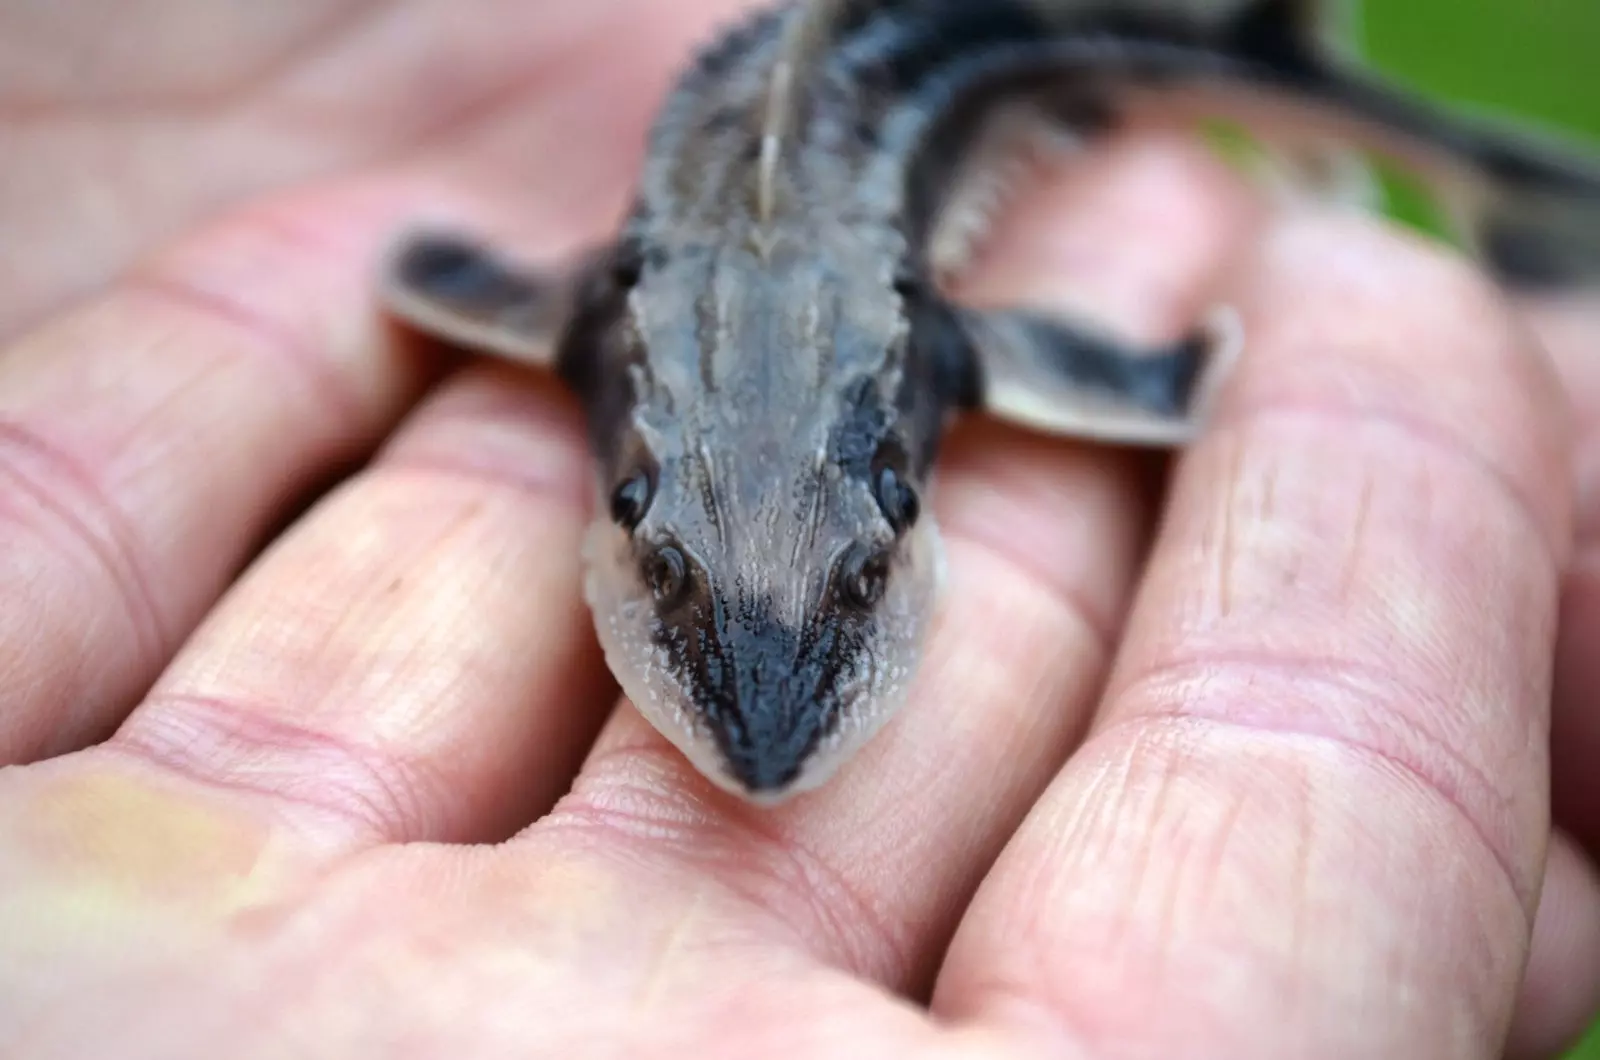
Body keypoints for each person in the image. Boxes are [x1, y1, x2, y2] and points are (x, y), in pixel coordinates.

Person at [1, 1, 1597, 1056]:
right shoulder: (612, 320)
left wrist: (1171, 381)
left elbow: (442, 270)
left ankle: (1483, 183)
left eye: (857, 575)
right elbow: (448, 280)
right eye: (669, 570)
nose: (765, 729)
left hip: (977, 47)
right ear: (623, 480)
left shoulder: (918, 340)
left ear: (917, 445)